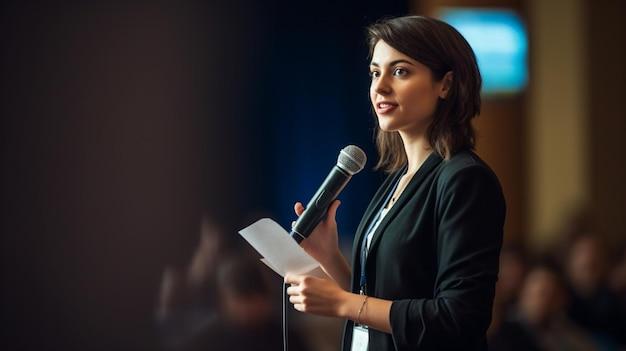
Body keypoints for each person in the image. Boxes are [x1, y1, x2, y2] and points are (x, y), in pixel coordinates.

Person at [285, 15, 506, 350]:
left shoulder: (465, 180)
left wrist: (341, 303)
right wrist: (329, 256)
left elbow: (460, 318)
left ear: (445, 84)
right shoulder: (397, 180)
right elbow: (382, 298)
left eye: (400, 71)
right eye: (375, 72)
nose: (380, 86)